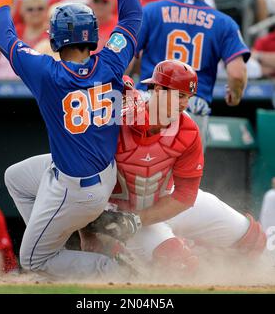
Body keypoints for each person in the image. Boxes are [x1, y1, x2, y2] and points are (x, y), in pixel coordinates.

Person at [0, 0, 142, 280]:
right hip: (102, 174)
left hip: (75, 187)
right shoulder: (112, 61)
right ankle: (59, 240)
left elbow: (3, 34)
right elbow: (134, 14)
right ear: (91, 36)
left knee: (32, 262)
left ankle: (112, 269)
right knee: (15, 178)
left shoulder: (46, 73)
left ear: (56, 39)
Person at [81, 62, 266, 272]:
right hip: (121, 217)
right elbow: (81, 179)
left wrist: (138, 219)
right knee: (181, 268)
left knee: (252, 239)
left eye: (188, 97)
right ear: (158, 90)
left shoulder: (187, 130)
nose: (185, 103)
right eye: (179, 96)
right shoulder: (118, 116)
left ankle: (204, 250)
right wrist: (88, 234)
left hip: (162, 205)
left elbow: (186, 195)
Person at [136, 0, 249, 145]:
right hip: (192, 104)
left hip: (151, 100)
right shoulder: (224, 23)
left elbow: (127, 57)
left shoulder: (151, 11)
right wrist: (236, 95)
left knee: (138, 168)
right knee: (185, 172)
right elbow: (237, 74)